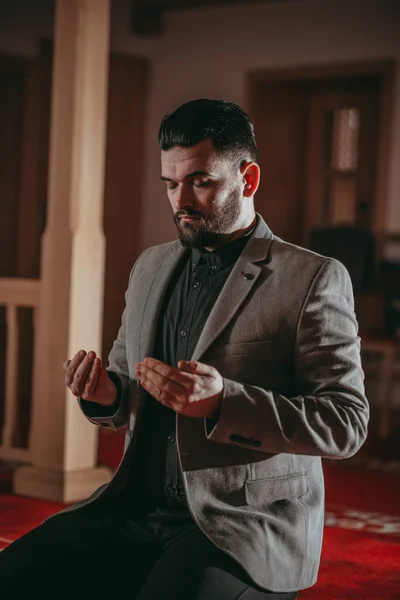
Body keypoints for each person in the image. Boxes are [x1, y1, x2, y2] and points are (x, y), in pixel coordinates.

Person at [0, 99, 369, 599]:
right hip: (132, 509)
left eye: (200, 181)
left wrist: (222, 403)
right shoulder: (149, 267)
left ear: (249, 180)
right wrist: (105, 394)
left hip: (241, 526)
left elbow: (346, 422)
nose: (181, 201)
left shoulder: (313, 278)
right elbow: (125, 388)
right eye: (171, 185)